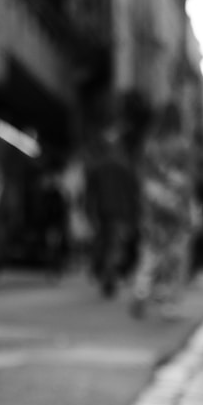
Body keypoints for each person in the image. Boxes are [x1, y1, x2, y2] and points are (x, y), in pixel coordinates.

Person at [131, 102, 194, 319]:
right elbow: (187, 182)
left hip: (154, 204)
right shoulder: (182, 145)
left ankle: (141, 289)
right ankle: (169, 302)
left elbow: (143, 177)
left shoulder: (151, 144)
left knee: (150, 251)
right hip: (175, 207)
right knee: (175, 256)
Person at [85, 123, 138, 297]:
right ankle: (108, 275)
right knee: (114, 245)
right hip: (119, 211)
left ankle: (104, 273)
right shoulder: (124, 165)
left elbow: (90, 193)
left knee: (105, 243)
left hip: (102, 210)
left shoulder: (98, 166)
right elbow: (133, 192)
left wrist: (89, 211)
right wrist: (134, 214)